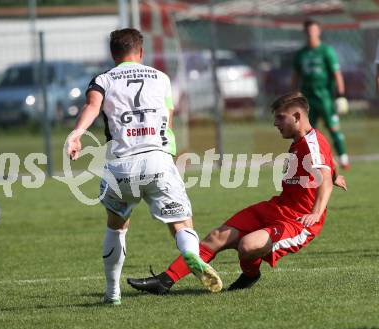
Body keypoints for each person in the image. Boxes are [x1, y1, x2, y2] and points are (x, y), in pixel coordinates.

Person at [127, 92, 347, 294]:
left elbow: (323, 180)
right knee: (217, 237)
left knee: (247, 246)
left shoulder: (312, 143)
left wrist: (317, 212)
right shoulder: (305, 141)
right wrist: (336, 174)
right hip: (276, 207)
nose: (275, 123)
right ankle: (165, 281)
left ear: (297, 116)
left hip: (298, 222)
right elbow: (326, 162)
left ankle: (251, 274)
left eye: (280, 118)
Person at [67, 28, 222, 305]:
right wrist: (169, 160)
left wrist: (77, 134)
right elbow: (168, 121)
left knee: (116, 226)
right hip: (157, 159)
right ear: (140, 52)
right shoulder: (161, 78)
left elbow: (92, 106)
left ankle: (112, 291)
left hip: (121, 166)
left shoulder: (103, 79)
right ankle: (190, 253)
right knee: (181, 223)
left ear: (113, 54)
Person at [292, 19, 350, 170]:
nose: (311, 33)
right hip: (307, 99)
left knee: (333, 128)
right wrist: (293, 96)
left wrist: (341, 94)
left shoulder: (326, 51)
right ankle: (311, 161)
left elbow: (337, 73)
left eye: (314, 30)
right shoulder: (301, 54)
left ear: (319, 31)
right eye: (308, 30)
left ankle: (344, 158)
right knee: (306, 132)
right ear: (305, 32)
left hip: (325, 98)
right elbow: (296, 76)